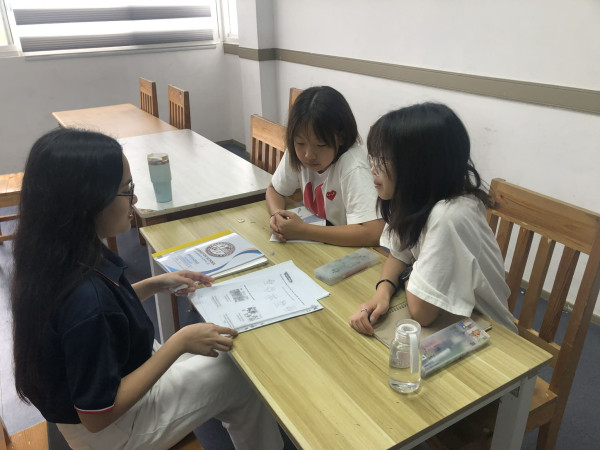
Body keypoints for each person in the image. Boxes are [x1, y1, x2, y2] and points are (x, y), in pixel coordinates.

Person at [11, 128, 283, 450]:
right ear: (89, 200)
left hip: (102, 393)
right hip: (111, 432)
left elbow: (106, 312)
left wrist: (156, 284)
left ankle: (225, 410)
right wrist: (178, 343)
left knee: (216, 352)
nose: (135, 200)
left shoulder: (56, 253)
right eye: (126, 190)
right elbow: (96, 416)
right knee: (236, 373)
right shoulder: (86, 302)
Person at [349, 103, 517, 335]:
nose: (373, 169)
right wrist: (383, 292)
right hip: (453, 320)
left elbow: (422, 313)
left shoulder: (449, 215)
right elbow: (399, 254)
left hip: (492, 335)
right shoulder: (414, 200)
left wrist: (409, 273)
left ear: (418, 167)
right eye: (374, 157)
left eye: (384, 159)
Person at [266, 86, 384, 246]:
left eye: (320, 145)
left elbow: (374, 233)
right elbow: (274, 190)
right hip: (319, 241)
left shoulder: (353, 166)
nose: (308, 155)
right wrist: (277, 215)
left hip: (347, 247)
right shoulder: (297, 151)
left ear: (341, 138)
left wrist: (303, 230)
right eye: (300, 142)